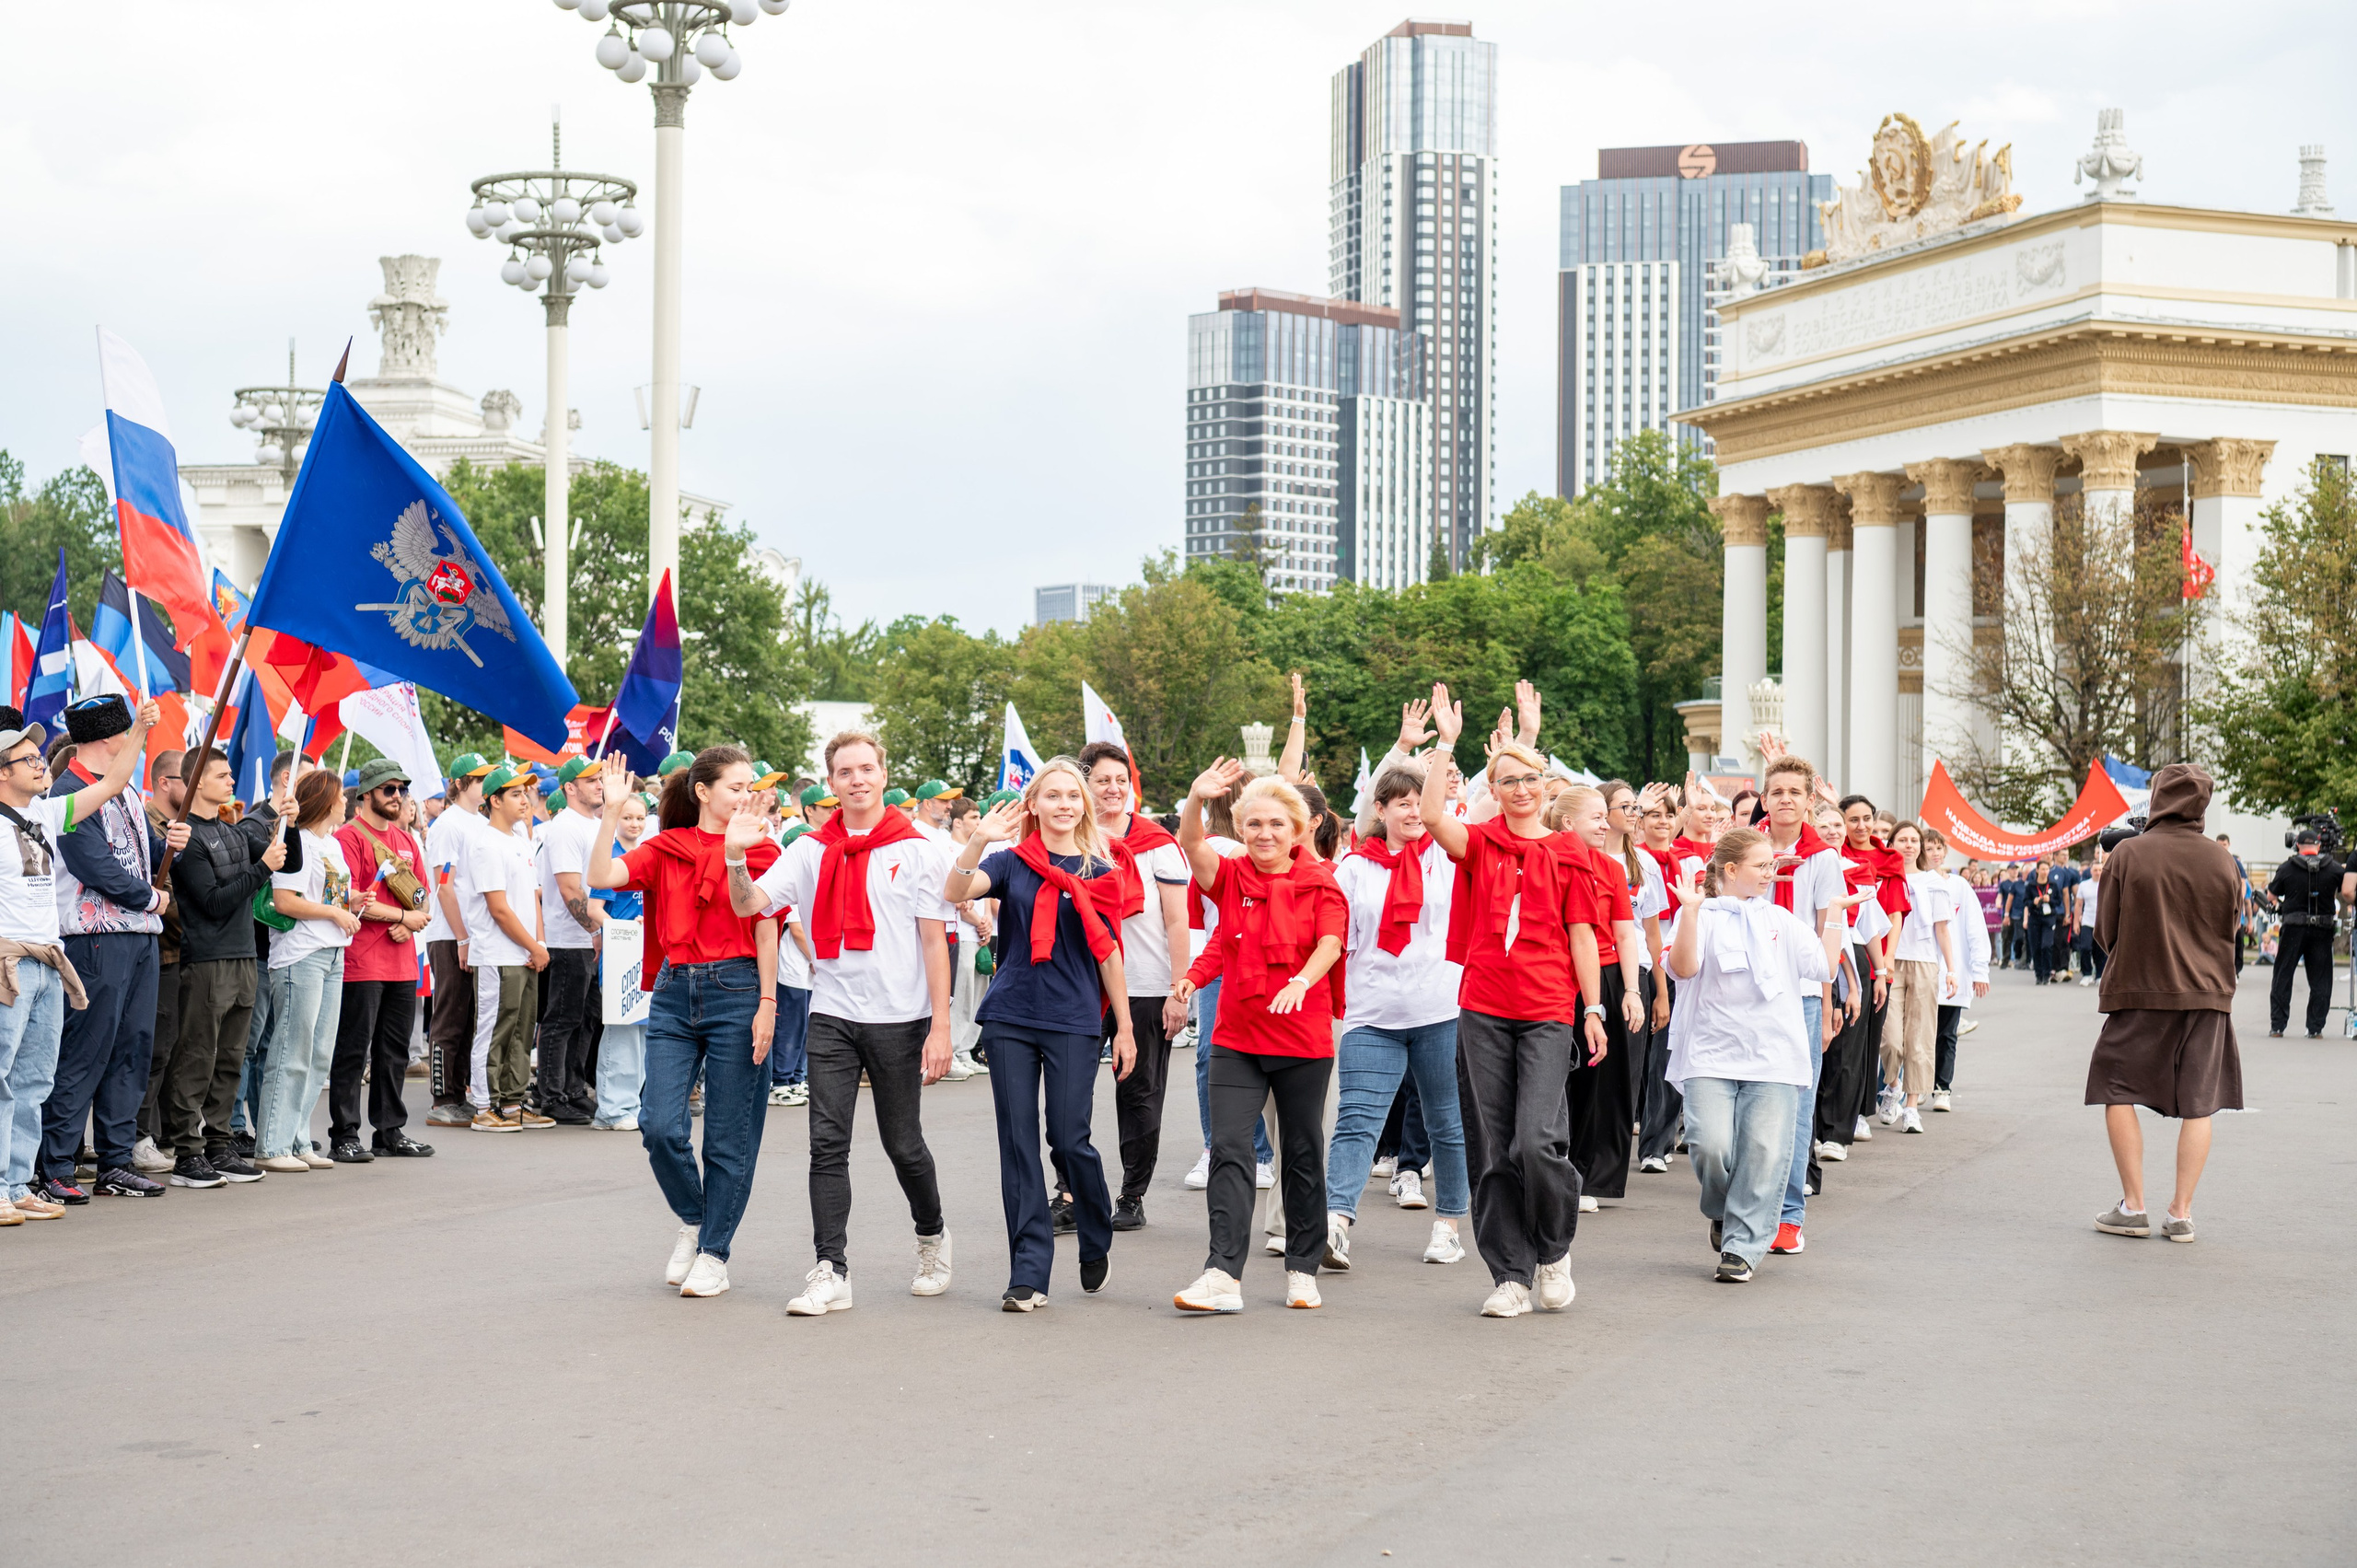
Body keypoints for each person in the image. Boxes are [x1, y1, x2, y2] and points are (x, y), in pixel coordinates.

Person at [737, 730, 955, 1317]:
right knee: (826, 1145)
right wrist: (736, 855)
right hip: (831, 1012)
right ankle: (831, 1268)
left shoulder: (919, 848)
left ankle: (932, 1237)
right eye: (844, 772)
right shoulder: (809, 848)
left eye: (866, 769)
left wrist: (941, 1026)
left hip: (900, 1019)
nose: (857, 779)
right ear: (830, 784)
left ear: (884, 775)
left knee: (903, 1144)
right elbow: (750, 904)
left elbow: (935, 941)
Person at [1416, 684, 1605, 1319]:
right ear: (1492, 791)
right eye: (1507, 781)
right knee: (1494, 1146)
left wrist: (1595, 1008)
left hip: (1550, 1007)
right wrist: (1445, 742)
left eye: (1530, 779)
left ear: (1549, 787)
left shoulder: (1570, 852)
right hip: (1485, 1007)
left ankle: (1553, 1250)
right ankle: (1510, 1274)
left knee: (1536, 1140)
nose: (1520, 789)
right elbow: (1435, 815)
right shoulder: (1483, 842)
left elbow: (1583, 934)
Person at [943, 761, 1135, 1310]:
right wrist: (977, 840)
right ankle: (1028, 1273)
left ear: (1084, 805)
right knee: (1019, 1144)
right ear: (1034, 806)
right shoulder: (1010, 863)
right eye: (1052, 796)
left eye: (1073, 796)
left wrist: (1123, 1026)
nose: (1064, 805)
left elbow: (1109, 952)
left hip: (1074, 1017)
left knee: (1069, 1138)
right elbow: (953, 889)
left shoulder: (1103, 871)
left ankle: (1095, 1226)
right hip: (1011, 1017)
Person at [589, 750, 782, 1297]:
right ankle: (697, 1221)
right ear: (702, 791)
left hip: (739, 989)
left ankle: (715, 1253)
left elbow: (765, 929)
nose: (747, 796)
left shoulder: (764, 848)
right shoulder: (666, 848)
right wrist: (610, 813)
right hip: (675, 989)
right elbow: (600, 876)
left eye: (750, 787)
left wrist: (768, 1003)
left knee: (728, 1134)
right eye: (736, 786)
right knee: (658, 1124)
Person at [1169, 762, 1346, 1314]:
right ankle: (1222, 1275)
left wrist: (1300, 980)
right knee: (1229, 1150)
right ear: (1241, 829)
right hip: (1237, 1037)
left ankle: (1302, 1269)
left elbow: (1331, 945)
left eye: (1275, 824)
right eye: (1253, 825)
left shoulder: (1322, 883)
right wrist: (1196, 798)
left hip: (1301, 1040)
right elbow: (1191, 845)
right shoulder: (1231, 877)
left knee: (1300, 1153)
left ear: (1298, 830)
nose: (1264, 834)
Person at [0, 701, 160, 1220]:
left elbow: (113, 782)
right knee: (6, 1077)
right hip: (11, 961)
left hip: (51, 962)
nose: (42, 763)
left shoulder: (45, 811)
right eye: (28, 759)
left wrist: (139, 731)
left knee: (33, 1080)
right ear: (3, 772)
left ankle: (21, 1183)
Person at [1663, 829, 1842, 1283]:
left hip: (1773, 1055)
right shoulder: (1701, 916)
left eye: (1772, 865)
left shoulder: (1780, 920)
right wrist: (1688, 911)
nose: (1771, 873)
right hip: (1711, 1052)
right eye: (1762, 866)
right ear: (1730, 870)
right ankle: (1724, 1211)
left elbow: (1823, 966)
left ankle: (1741, 1246)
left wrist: (1835, 916)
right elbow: (1682, 969)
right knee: (1710, 1145)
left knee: (1763, 1150)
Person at [34, 696, 188, 1202]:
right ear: (109, 739)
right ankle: (56, 1164)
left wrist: (172, 847)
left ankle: (116, 1162)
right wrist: (153, 899)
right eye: (127, 733)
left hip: (138, 938)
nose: (133, 742)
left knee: (132, 1051)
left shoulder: (122, 793)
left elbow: (143, 855)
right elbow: (93, 865)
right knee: (86, 1051)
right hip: (93, 939)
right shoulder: (70, 792)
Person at [1322, 755, 1470, 1270]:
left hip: (1442, 1012)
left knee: (1446, 1124)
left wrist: (1450, 747)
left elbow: (1494, 808)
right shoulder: (1354, 867)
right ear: (1379, 810)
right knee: (1356, 1121)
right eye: (1401, 804)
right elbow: (1333, 938)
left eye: (1418, 804)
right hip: (1372, 1016)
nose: (1412, 813)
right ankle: (1335, 1223)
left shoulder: (1451, 857)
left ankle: (1449, 1224)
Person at [2088, 765, 2241, 1242]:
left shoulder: (2128, 853)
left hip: (2139, 987)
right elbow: (2231, 930)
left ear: (2157, 798)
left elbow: (2105, 931)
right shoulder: (2222, 861)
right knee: (2199, 1102)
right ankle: (2181, 1212)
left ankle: (2133, 1206)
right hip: (2207, 992)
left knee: (2115, 1087)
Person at [161, 745, 295, 1190]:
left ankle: (220, 1142)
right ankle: (186, 1151)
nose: (231, 782)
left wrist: (286, 824)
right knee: (197, 1056)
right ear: (197, 781)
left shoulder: (234, 830)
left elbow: (287, 860)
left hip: (243, 960)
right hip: (206, 962)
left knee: (232, 1059)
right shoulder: (187, 838)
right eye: (222, 776)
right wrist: (261, 869)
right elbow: (214, 903)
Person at [1076, 740, 1190, 1231]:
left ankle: (1131, 1194)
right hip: (1079, 985)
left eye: (1121, 781)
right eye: (1103, 780)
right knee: (1070, 1092)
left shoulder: (1158, 843)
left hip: (1143, 984)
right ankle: (1069, 1190)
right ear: (1084, 784)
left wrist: (1177, 988)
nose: (1113, 789)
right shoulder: (1068, 838)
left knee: (1139, 1092)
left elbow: (1177, 921)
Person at [255, 768, 360, 1174]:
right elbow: (285, 901)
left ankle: (298, 1139)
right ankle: (273, 1142)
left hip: (333, 952)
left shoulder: (331, 844)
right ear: (327, 799)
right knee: (291, 1050)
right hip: (302, 954)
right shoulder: (297, 840)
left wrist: (348, 904)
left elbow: (328, 896)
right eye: (340, 796)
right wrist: (334, 911)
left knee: (318, 1054)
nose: (346, 801)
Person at [328, 759, 433, 1162]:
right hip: (362, 962)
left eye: (401, 790)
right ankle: (345, 1133)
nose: (397, 797)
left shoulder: (407, 840)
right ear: (366, 793)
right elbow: (353, 898)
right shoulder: (349, 837)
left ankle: (390, 1131)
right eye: (388, 790)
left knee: (394, 1052)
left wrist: (412, 921)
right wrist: (404, 916)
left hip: (403, 962)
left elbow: (422, 897)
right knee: (353, 1050)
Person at [1550, 785, 1643, 1216]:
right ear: (1568, 823)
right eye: (1596, 818)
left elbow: (1625, 933)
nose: (1606, 824)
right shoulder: (1546, 858)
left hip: (1604, 978)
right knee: (1554, 1079)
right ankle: (1553, 1169)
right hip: (1553, 976)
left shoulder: (1610, 867)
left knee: (1601, 1080)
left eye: (1605, 817)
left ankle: (1591, 1175)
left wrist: (1631, 991)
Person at [459, 766, 549, 1133]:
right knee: (495, 1029)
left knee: (521, 1030)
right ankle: (484, 1105)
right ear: (494, 800)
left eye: (525, 793)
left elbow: (532, 897)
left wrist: (539, 944)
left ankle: (511, 1102)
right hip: (498, 954)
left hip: (525, 953)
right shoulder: (486, 843)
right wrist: (533, 945)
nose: (525, 799)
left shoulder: (519, 840)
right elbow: (498, 909)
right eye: (515, 794)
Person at [533, 755, 610, 1123]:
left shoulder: (595, 824)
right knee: (562, 1020)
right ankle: (551, 1095)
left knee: (586, 1018)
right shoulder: (564, 827)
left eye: (599, 778)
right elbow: (568, 888)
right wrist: (594, 930)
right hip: (568, 939)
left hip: (589, 939)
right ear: (569, 788)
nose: (598, 783)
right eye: (589, 779)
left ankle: (575, 1088)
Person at [420, 754, 493, 1126]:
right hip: (451, 932)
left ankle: (460, 1090)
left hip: (475, 932)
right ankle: (441, 1098)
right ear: (461, 783)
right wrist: (462, 936)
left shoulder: (481, 822)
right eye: (479, 779)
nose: (485, 785)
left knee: (470, 1016)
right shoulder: (447, 824)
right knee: (449, 1015)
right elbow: (444, 885)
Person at [1881, 822, 1961, 1133]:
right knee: (1890, 1039)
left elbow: (1942, 928)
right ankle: (1892, 1085)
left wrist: (1952, 970)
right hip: (1890, 961)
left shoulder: (1934, 882)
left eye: (1915, 840)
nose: (1910, 845)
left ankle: (1912, 1106)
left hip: (1925, 963)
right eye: (1903, 839)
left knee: (1920, 1037)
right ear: (1891, 843)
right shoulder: (1885, 877)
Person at [133, 749, 187, 1175]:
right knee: (147, 1051)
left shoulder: (179, 828)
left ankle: (156, 1133)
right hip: (159, 948)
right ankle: (135, 1137)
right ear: (166, 782)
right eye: (187, 778)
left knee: (166, 1052)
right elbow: (163, 895)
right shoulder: (148, 825)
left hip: (177, 952)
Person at [589, 787, 651, 1131]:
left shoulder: (644, 854)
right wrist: (622, 930)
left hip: (643, 955)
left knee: (642, 1031)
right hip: (620, 955)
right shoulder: (611, 857)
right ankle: (612, 1109)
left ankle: (631, 1104)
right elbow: (594, 909)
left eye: (640, 818)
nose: (634, 823)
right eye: (627, 817)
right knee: (621, 1032)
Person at [1921, 831, 1991, 1114]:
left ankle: (1942, 1087)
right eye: (1930, 848)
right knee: (1922, 1034)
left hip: (1953, 972)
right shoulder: (1916, 883)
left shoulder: (1960, 886)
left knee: (1947, 1034)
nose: (1935, 853)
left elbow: (1975, 928)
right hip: (1923, 969)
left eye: (1939, 848)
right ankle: (1918, 1086)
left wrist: (1979, 971)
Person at [2266, 826, 2341, 1039]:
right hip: (2323, 929)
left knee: (2283, 974)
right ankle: (2315, 1028)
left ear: (2297, 845)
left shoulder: (2287, 868)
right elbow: (2347, 889)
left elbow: (2271, 896)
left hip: (2293, 928)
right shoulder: (2334, 868)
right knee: (2321, 978)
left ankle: (2278, 1026)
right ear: (2318, 846)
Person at [766, 819, 817, 1108]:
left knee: (806, 1027)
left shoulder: (811, 879)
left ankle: (798, 1077)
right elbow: (797, 929)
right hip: (794, 969)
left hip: (808, 971)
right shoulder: (790, 879)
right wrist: (815, 958)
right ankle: (781, 1081)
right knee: (791, 1027)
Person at [942, 796, 993, 1081]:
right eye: (974, 818)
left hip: (979, 932)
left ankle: (965, 1050)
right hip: (962, 930)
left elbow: (987, 891)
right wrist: (979, 922)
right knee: (959, 996)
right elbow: (958, 896)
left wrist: (985, 921)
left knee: (977, 996)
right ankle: (952, 1051)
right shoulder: (951, 850)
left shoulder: (978, 850)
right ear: (958, 821)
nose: (978, 822)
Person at [2072, 855, 2107, 986]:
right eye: (2095, 870)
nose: (2098, 872)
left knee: (2101, 951)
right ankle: (2087, 974)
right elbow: (2078, 904)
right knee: (2085, 948)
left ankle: (2099, 975)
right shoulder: (2084, 885)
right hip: (2087, 921)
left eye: (2100, 870)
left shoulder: (2107, 883)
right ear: (2091, 871)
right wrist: (2076, 922)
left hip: (2102, 922)